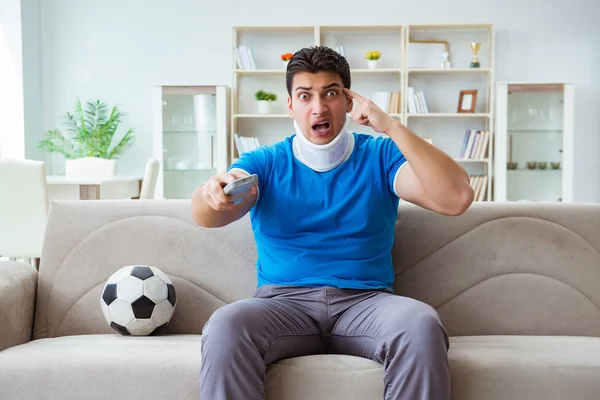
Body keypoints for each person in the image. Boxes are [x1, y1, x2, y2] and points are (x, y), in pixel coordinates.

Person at [191, 45, 474, 400]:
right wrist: (212, 192)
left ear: (349, 101)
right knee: (225, 326)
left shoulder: (380, 156)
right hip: (282, 306)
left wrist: (390, 126)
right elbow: (206, 215)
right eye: (305, 96)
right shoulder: (266, 162)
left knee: (420, 324)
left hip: (366, 305)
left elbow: (457, 197)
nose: (319, 107)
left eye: (331, 93)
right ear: (291, 106)